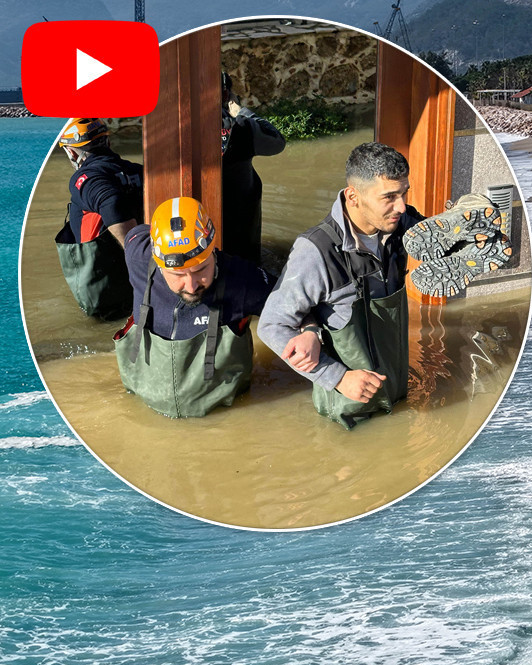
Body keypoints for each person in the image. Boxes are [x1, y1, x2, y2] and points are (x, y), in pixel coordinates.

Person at [258, 142, 427, 430]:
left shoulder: (400, 223)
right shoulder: (315, 251)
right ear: (353, 196)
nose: (401, 206)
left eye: (403, 194)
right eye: (389, 197)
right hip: (346, 414)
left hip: (397, 396)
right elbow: (271, 326)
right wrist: (336, 377)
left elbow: (437, 241)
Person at [113, 197, 274, 418]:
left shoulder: (242, 279)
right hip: (141, 407)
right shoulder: (137, 257)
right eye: (178, 275)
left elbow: (296, 306)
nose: (191, 285)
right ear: (157, 260)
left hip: (223, 415)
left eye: (201, 270)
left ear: (212, 250)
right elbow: (128, 230)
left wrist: (310, 331)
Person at [55, 118, 144, 320]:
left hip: (107, 294)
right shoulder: (137, 171)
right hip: (140, 288)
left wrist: (138, 258)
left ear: (71, 152)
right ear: (108, 143)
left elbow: (111, 202)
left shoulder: (87, 178)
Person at [220, 71, 286, 265]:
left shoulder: (176, 130)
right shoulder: (240, 128)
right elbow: (277, 141)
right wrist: (241, 111)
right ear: (225, 95)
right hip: (240, 243)